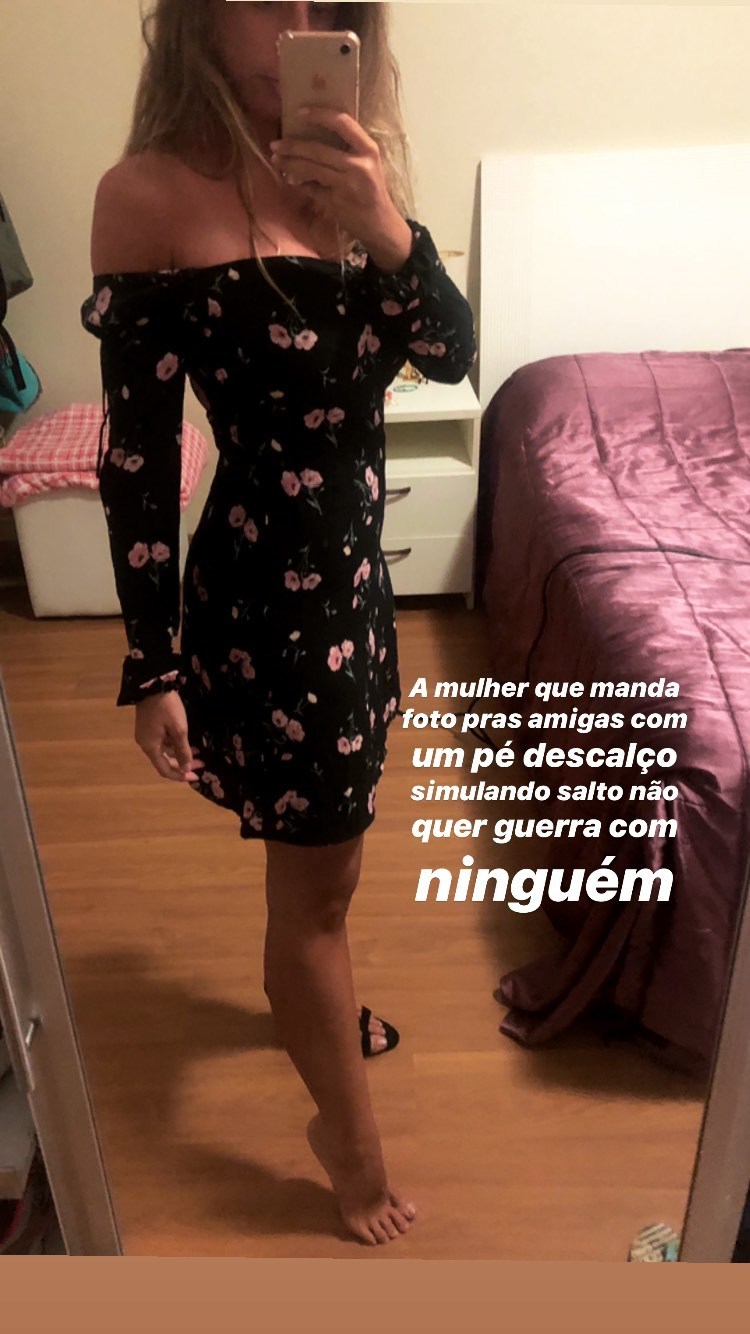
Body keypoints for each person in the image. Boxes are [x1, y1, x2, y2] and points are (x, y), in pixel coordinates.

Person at [81, 0, 477, 1247]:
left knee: (328, 873)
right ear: (201, 14)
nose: (301, 23)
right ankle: (348, 1148)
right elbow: (139, 457)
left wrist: (388, 229)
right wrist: (153, 662)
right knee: (313, 896)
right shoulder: (146, 197)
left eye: (327, 1)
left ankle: (308, 993)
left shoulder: (352, 173)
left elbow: (452, 354)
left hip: (359, 592)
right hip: (271, 607)